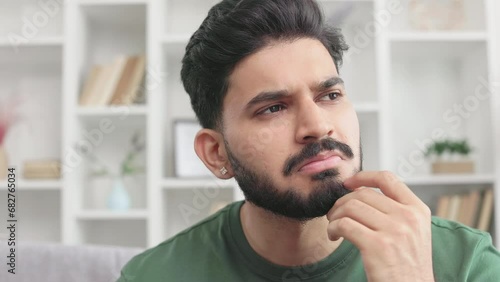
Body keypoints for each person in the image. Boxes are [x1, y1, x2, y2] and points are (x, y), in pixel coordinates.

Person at [117, 0, 500, 281]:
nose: (317, 127)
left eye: (329, 96)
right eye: (273, 108)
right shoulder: (153, 276)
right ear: (217, 153)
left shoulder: (466, 262)